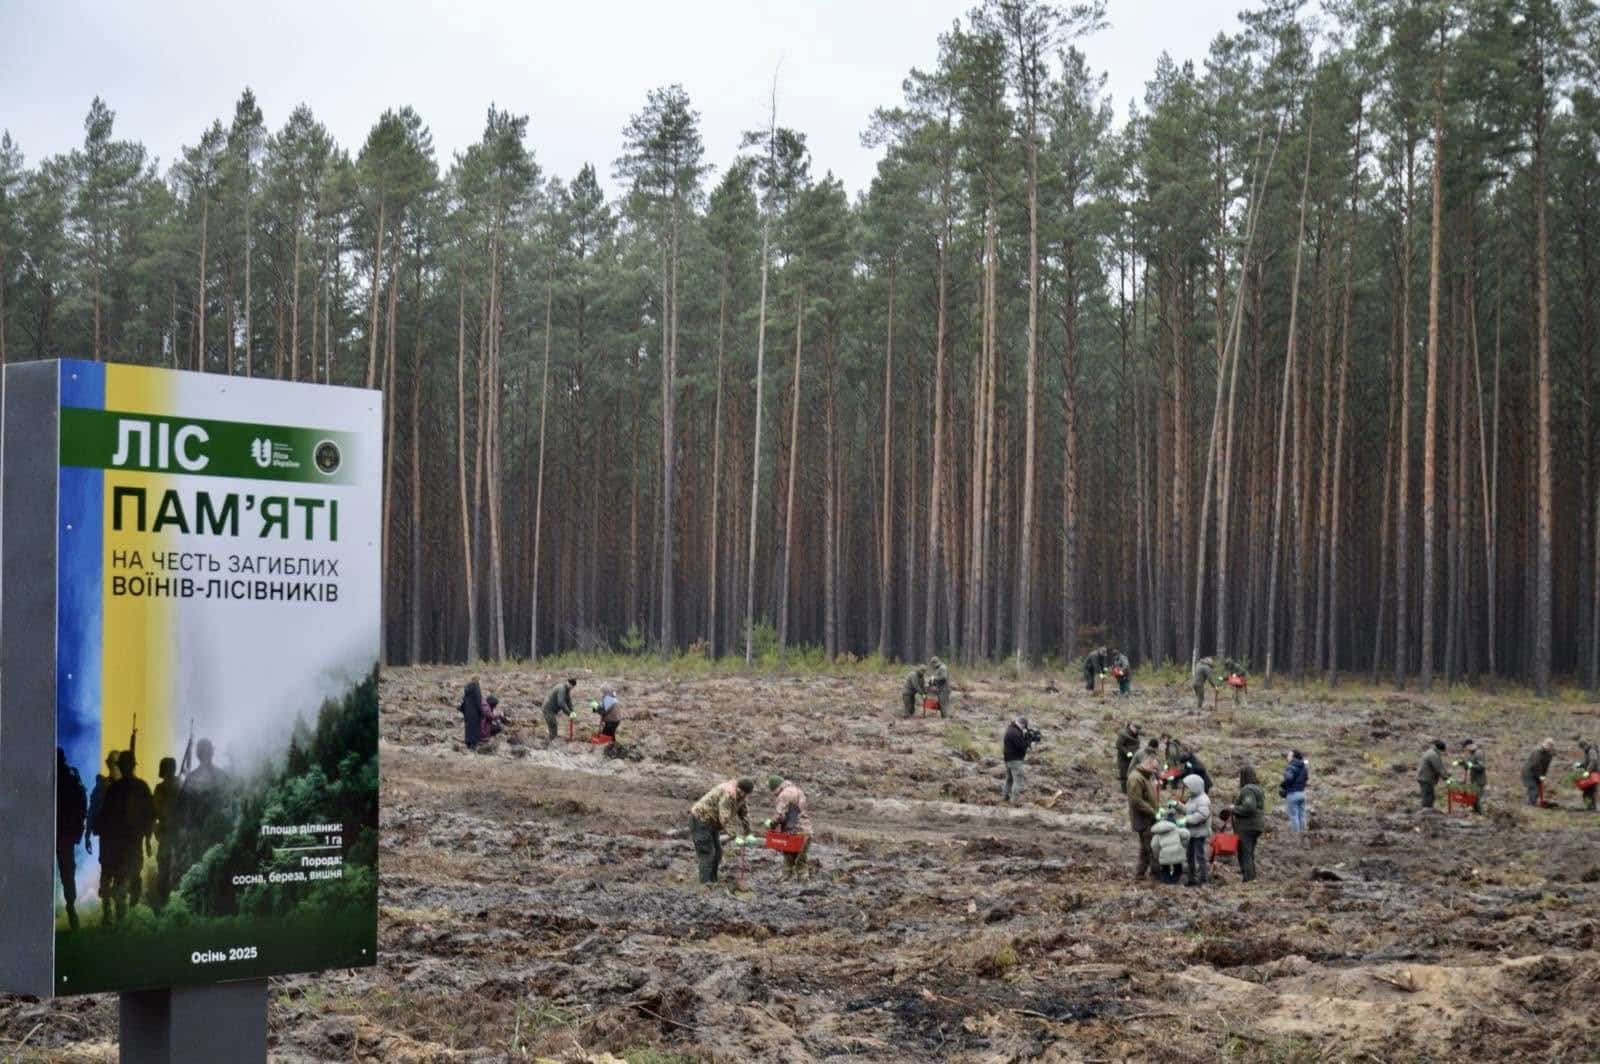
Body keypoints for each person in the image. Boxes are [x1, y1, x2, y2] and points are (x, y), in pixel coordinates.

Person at [98, 750, 155, 924]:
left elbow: (148, 814)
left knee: (129, 877)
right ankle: (126, 915)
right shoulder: (138, 787)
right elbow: (149, 815)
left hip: (125, 841)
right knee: (128, 877)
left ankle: (126, 914)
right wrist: (146, 838)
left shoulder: (116, 788)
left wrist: (146, 839)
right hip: (126, 841)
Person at [689, 778, 755, 886]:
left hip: (712, 824)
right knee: (707, 853)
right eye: (741, 791)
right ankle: (705, 885)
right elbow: (724, 817)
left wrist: (749, 833)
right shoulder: (728, 794)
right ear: (738, 787)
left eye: (745, 793)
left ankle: (713, 880)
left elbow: (744, 814)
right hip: (700, 820)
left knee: (718, 853)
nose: (742, 794)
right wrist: (734, 835)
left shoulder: (742, 797)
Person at [55, 748, 87, 931]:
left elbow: (82, 804)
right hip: (64, 833)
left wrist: (79, 829)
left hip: (64, 833)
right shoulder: (71, 776)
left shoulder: (69, 777)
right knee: (67, 873)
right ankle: (69, 906)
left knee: (67, 873)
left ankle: (69, 906)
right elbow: (82, 804)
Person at [765, 774, 812, 880]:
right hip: (806, 831)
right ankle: (802, 887)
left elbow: (779, 816)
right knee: (801, 862)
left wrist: (770, 825)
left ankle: (786, 887)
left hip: (793, 834)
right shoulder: (798, 791)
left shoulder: (783, 795)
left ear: (775, 788)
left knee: (788, 863)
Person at [150, 756, 181, 912]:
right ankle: (164, 903)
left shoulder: (179, 786)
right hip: (167, 834)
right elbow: (154, 812)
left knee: (175, 869)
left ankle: (174, 903)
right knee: (164, 870)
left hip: (177, 834)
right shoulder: (161, 789)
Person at [1126, 755, 1162, 881]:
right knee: (1152, 848)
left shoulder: (1145, 777)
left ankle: (1140, 874)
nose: (1155, 772)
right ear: (1147, 764)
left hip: (1149, 817)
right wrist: (1153, 812)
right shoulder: (1136, 778)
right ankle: (1155, 876)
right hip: (1144, 819)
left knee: (1145, 849)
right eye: (1154, 769)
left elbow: (1148, 797)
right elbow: (1136, 801)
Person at [1232, 766, 1267, 883]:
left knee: (1245, 853)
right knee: (1250, 852)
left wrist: (1234, 808)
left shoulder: (1247, 790)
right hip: (1257, 825)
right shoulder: (1258, 789)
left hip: (1247, 826)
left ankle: (1249, 878)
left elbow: (1249, 807)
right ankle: (1250, 877)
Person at [1001, 717, 1042, 805]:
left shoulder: (1010, 729)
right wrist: (1030, 743)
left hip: (1008, 759)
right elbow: (1021, 746)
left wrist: (1026, 739)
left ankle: (1004, 798)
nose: (1024, 729)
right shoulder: (1015, 732)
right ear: (1022, 725)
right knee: (1018, 780)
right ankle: (1014, 801)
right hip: (1015, 760)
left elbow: (1019, 744)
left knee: (1009, 779)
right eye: (1024, 727)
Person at [86, 750, 119, 858]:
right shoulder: (102, 787)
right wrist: (87, 836)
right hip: (108, 836)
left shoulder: (128, 787)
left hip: (122, 837)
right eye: (112, 764)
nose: (112, 767)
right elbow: (92, 812)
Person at [1181, 774, 1212, 887]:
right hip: (1191, 832)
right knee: (1189, 855)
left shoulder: (1203, 799)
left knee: (1200, 856)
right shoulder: (1193, 798)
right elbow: (1188, 810)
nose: (1187, 789)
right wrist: (1178, 806)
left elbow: (1202, 815)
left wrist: (1186, 820)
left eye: (1189, 787)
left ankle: (1202, 878)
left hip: (1199, 833)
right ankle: (1191, 878)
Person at [1150, 803, 1191, 885]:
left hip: (1164, 855)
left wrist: (1157, 855)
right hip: (1177, 853)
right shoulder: (1177, 830)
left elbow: (1154, 845)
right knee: (1178, 867)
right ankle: (1174, 880)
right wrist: (1183, 845)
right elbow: (1187, 834)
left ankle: (1167, 882)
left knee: (1165, 868)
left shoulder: (1158, 833)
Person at [1455, 741, 1487, 814]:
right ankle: (1476, 814)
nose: (1465, 749)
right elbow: (1467, 765)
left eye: (1466, 747)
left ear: (1470, 745)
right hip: (1473, 780)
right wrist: (1462, 763)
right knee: (1473, 799)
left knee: (1477, 799)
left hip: (1479, 780)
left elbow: (1482, 767)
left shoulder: (1479, 753)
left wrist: (1471, 766)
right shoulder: (1470, 754)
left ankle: (1482, 815)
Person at [1280, 749, 1308, 834]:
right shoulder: (1304, 767)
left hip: (1292, 794)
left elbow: (1288, 779)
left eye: (1289, 755)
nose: (1287, 757)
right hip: (1302, 793)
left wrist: (1283, 785)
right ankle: (1304, 834)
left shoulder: (1291, 766)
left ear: (1293, 757)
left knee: (1294, 816)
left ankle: (1296, 835)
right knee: (1302, 815)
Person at [1522, 738, 1556, 807]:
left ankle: (1532, 803)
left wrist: (1543, 776)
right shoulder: (1537, 752)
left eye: (1551, 745)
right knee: (1534, 788)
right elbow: (1536, 765)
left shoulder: (1549, 755)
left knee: (1537, 789)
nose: (1549, 747)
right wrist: (1540, 776)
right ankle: (1531, 805)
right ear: (1544, 744)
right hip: (1529, 773)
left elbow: (1545, 767)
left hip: (1538, 774)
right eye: (1548, 744)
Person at [543, 677, 578, 742]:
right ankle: (552, 742)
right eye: (572, 687)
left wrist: (572, 711)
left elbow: (568, 701)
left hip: (552, 710)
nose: (572, 688)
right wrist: (569, 713)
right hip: (548, 709)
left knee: (553, 725)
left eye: (573, 687)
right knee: (553, 725)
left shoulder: (567, 689)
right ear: (569, 684)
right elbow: (561, 703)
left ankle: (552, 741)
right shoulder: (562, 689)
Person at [1416, 739, 1448, 810]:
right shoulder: (1433, 755)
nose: (1442, 753)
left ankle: (1426, 810)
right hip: (1426, 778)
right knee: (1428, 796)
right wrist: (1446, 778)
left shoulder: (1431, 752)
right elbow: (1439, 768)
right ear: (1440, 749)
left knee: (1428, 795)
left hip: (1424, 777)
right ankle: (1426, 812)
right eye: (1442, 751)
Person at [1114, 723, 1143, 788]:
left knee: (1133, 773)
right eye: (1136, 728)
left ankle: (1132, 789)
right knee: (1124, 773)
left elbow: (1136, 745)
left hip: (1133, 757)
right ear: (1131, 726)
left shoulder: (1136, 735)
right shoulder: (1123, 734)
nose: (1137, 730)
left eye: (1138, 729)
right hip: (1123, 757)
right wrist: (1127, 752)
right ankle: (1124, 790)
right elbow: (1118, 745)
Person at [459, 680, 485, 749]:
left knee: (468, 729)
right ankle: (473, 746)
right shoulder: (476, 689)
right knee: (475, 729)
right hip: (475, 713)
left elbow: (463, 703)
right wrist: (482, 712)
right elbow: (478, 702)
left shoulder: (467, 691)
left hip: (467, 713)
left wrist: (463, 711)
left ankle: (468, 744)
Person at [1577, 740, 1600, 812]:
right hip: (1593, 773)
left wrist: (1587, 771)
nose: (1582, 750)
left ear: (1584, 746)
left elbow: (1593, 761)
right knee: (1590, 791)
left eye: (1582, 748)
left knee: (1589, 792)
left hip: (1594, 774)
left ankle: (1591, 808)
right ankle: (1592, 807)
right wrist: (1580, 765)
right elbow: (1588, 762)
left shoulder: (1591, 750)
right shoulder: (1588, 750)